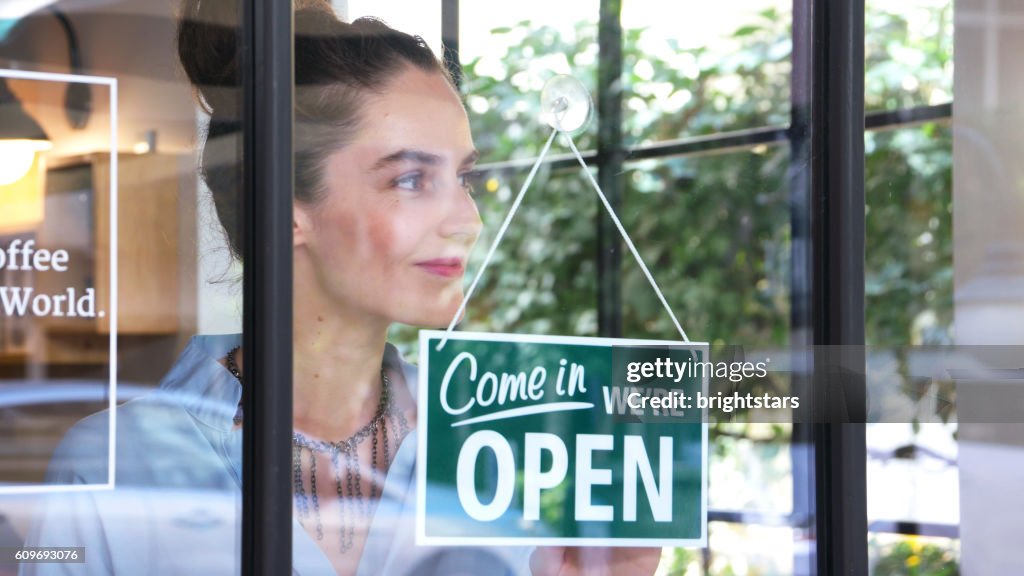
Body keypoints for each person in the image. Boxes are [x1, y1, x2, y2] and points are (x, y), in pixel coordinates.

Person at [21, 2, 661, 575]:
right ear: (288, 206)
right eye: (411, 179)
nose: (468, 221)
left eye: (464, 178)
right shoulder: (112, 467)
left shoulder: (513, 452)